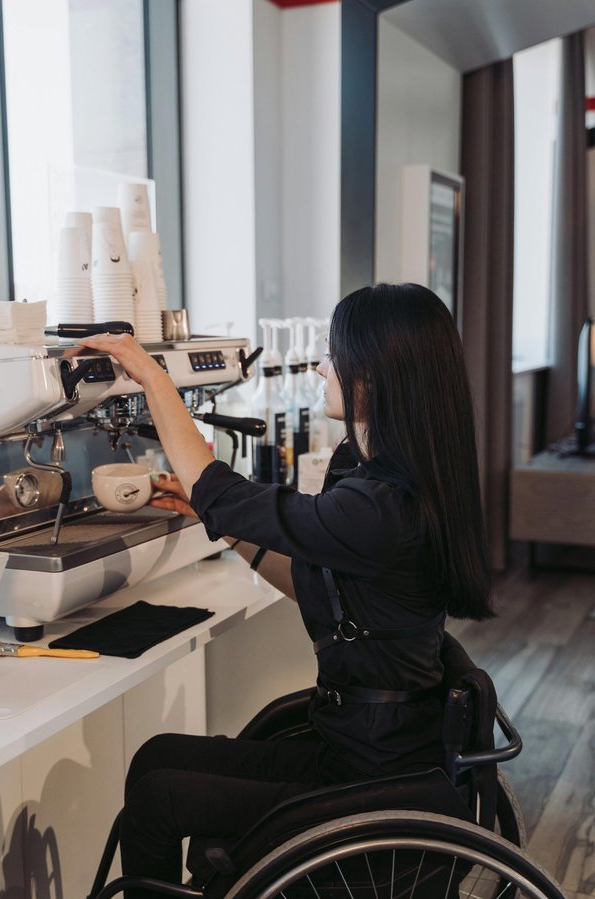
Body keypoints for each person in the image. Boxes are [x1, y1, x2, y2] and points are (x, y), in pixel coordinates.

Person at [81, 282, 493, 895]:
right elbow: (316, 588)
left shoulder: (379, 508)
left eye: (333, 352)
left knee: (162, 797)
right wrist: (218, 526)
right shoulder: (386, 482)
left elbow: (220, 489)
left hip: (368, 775)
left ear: (375, 376)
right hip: (360, 745)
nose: (322, 366)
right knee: (155, 758)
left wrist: (154, 379)